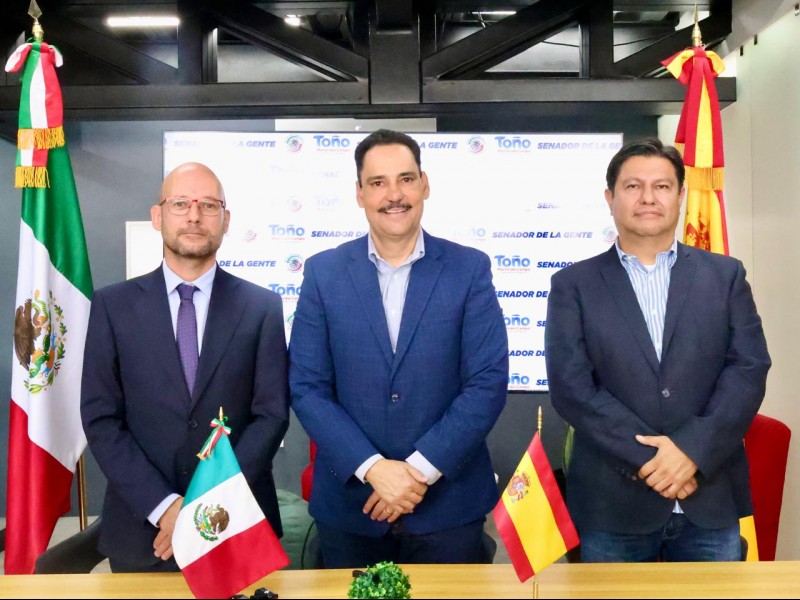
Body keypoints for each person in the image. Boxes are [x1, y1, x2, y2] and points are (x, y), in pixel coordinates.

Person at [289, 129, 508, 567]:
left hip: (449, 508)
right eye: (378, 182)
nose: (394, 195)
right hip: (352, 509)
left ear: (424, 185)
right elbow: (307, 387)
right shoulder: (323, 273)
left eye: (406, 179)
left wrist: (418, 471)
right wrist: (373, 468)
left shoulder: (468, 269)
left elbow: (486, 382)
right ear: (359, 193)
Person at [545, 138, 771, 562]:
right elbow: (572, 389)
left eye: (662, 186)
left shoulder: (724, 277)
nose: (648, 198)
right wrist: (658, 461)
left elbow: (748, 369)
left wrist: (691, 452)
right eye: (633, 186)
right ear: (610, 198)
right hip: (612, 505)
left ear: (681, 196)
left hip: (709, 497)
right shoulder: (573, 285)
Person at [81, 162, 290, 572]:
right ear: (157, 216)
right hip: (143, 530)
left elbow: (271, 415)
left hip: (236, 522)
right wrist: (164, 507)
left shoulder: (261, 307)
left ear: (226, 220)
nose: (194, 216)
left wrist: (204, 505)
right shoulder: (112, 306)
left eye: (209, 205)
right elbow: (101, 419)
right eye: (180, 203)